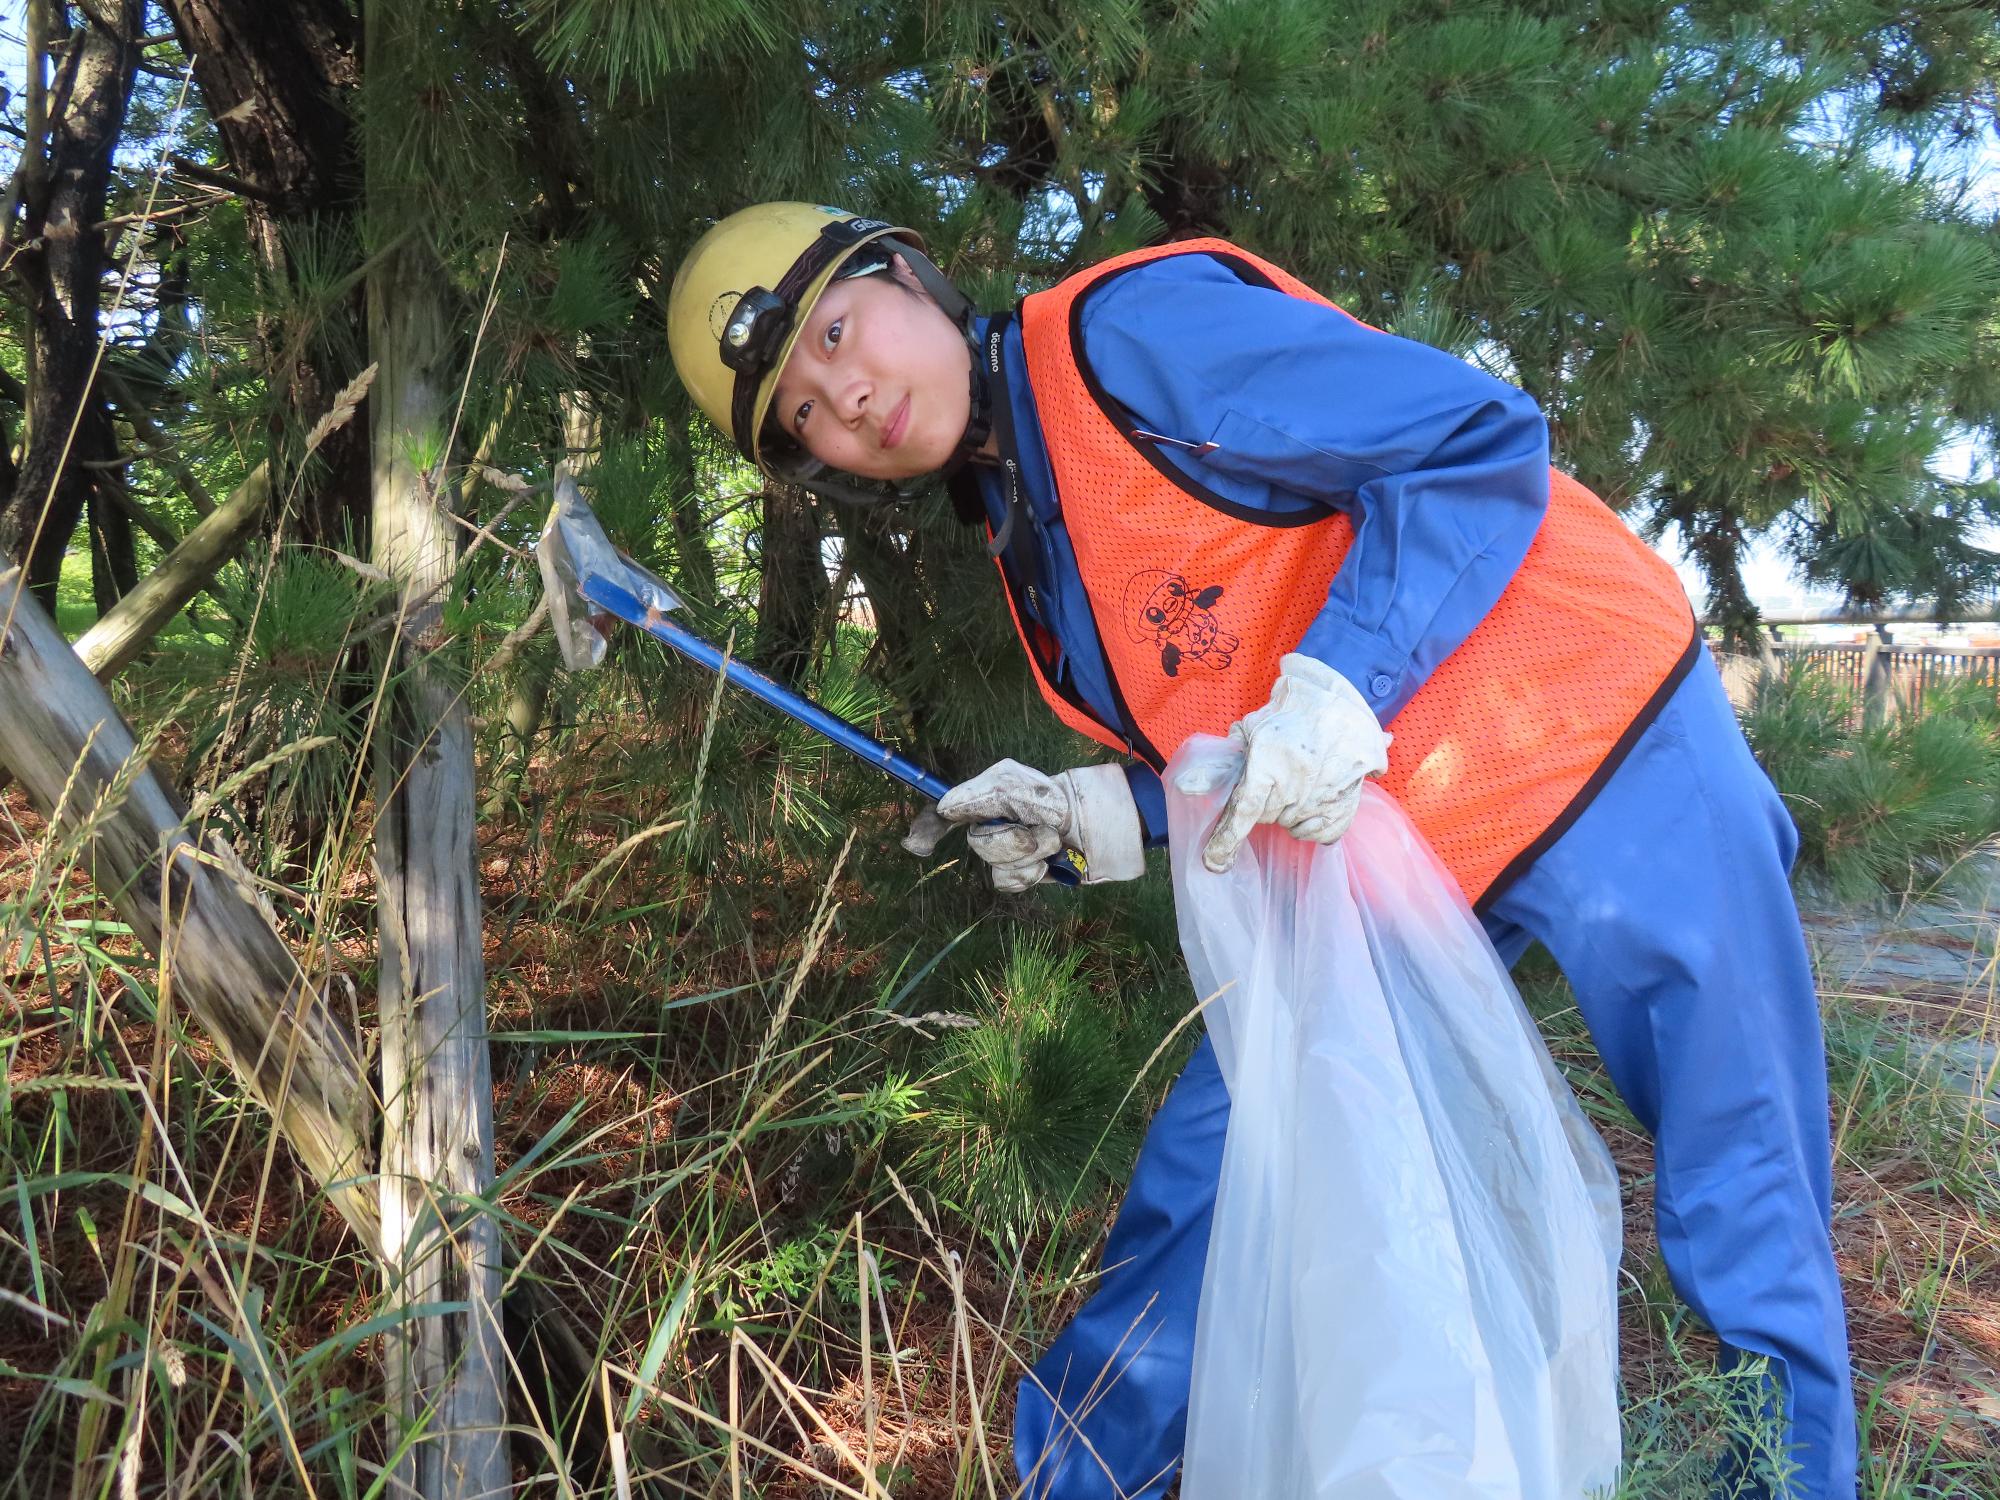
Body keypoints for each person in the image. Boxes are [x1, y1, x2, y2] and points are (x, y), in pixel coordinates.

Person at [666, 202, 1857, 1500]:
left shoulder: (1127, 342)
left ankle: (1791, 1482)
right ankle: (1078, 1478)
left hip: (1597, 729)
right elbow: (1229, 715)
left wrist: (1341, 683)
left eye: (838, 331)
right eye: (804, 412)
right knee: (1220, 1165)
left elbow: (1472, 441)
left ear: (909, 276)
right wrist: (1109, 811)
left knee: (1739, 1180)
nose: (846, 396)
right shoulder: (1024, 526)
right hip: (1390, 836)